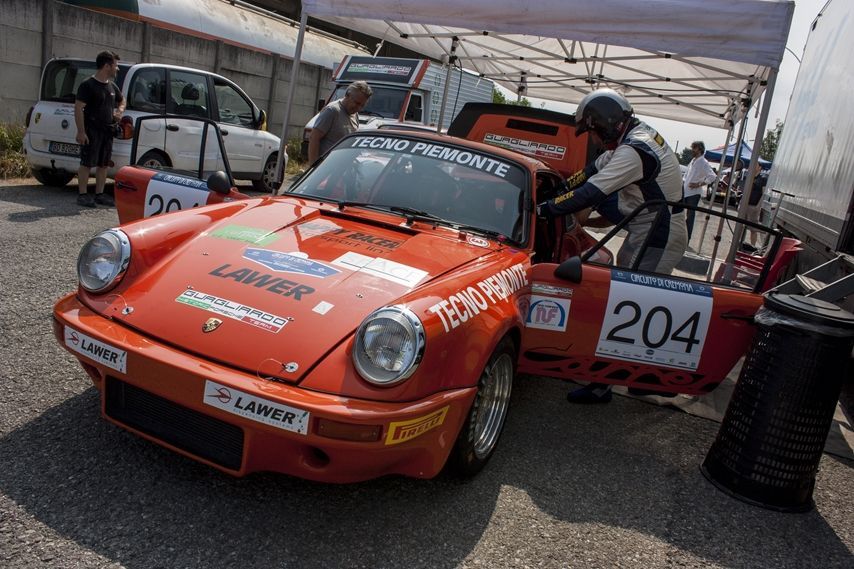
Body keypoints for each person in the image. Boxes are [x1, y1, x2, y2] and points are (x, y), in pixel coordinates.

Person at [537, 88, 687, 404]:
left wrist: (543, 209)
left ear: (604, 122)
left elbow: (590, 192)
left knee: (631, 308)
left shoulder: (634, 150)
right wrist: (555, 191)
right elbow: (586, 175)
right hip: (647, 228)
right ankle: (635, 377)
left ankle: (608, 383)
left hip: (659, 233)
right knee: (632, 304)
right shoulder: (629, 141)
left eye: (592, 131)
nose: (592, 138)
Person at [75, 51, 124, 207]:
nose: (117, 69)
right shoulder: (88, 85)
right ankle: (83, 195)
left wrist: (119, 111)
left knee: (103, 164)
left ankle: (100, 194)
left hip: (107, 131)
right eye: (115, 65)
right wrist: (81, 131)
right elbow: (78, 108)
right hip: (91, 131)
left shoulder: (112, 86)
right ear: (107, 66)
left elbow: (122, 100)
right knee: (87, 163)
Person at [307, 80, 373, 165]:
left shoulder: (355, 114)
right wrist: (314, 166)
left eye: (362, 105)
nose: (359, 108)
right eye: (357, 103)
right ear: (347, 95)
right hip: (326, 165)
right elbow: (314, 137)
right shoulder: (332, 111)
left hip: (341, 167)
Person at [682, 140, 717, 241]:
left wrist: (698, 184)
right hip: (685, 191)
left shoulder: (703, 162)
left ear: (700, 149)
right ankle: (682, 236)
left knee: (690, 216)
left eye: (694, 148)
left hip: (693, 194)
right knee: (679, 213)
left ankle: (687, 239)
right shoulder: (693, 160)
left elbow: (712, 176)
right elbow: (686, 175)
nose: (692, 150)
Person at [741, 161, 768, 248]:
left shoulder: (763, 179)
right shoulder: (748, 177)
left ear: (760, 168)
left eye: (755, 165)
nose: (753, 166)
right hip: (745, 205)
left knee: (753, 229)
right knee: (741, 226)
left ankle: (752, 247)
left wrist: (758, 206)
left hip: (754, 206)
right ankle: (739, 244)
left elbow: (764, 194)